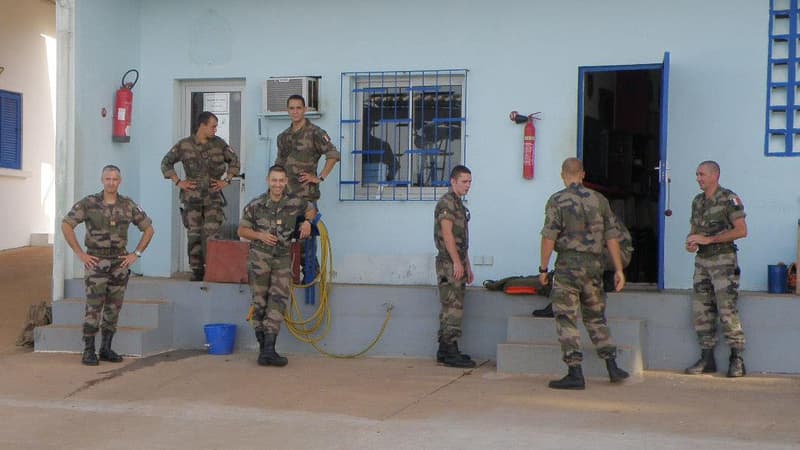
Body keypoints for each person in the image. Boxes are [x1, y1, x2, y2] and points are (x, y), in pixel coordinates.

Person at [539, 157, 629, 390]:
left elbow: (549, 236)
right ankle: (612, 367)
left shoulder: (557, 200)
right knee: (596, 316)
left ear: (563, 175)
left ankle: (575, 372)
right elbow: (612, 237)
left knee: (566, 318)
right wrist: (618, 269)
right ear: (583, 174)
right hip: (594, 267)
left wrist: (543, 269)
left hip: (568, 266)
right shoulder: (599, 200)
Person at [61, 165, 154, 366]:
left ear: (119, 181)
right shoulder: (89, 203)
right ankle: (88, 350)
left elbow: (148, 229)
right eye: (108, 179)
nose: (111, 182)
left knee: (114, 307)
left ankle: (106, 348)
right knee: (94, 307)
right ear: (102, 180)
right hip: (96, 261)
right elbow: (66, 224)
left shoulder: (128, 205)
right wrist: (80, 253)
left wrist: (135, 254)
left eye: (115, 179)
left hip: (119, 262)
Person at [238, 165, 315, 367]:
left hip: (282, 258)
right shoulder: (256, 205)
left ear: (286, 182)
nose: (278, 184)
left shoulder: (294, 202)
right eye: (274, 180)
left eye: (281, 180)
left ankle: (269, 350)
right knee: (260, 303)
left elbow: (311, 209)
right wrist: (260, 235)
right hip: (259, 258)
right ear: (268, 181)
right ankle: (264, 350)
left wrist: (307, 222)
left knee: (278, 300)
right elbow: (242, 230)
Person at [684, 160, 747, 378]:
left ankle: (737, 358)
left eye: (702, 174)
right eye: (697, 175)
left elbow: (741, 231)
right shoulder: (697, 201)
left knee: (727, 309)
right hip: (702, 262)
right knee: (702, 310)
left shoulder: (729, 198)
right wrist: (691, 242)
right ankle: (707, 357)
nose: (698, 179)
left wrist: (708, 240)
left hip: (723, 261)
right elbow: (694, 230)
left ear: (714, 175)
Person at [161, 111, 240, 281]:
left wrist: (226, 180)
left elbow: (234, 162)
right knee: (194, 235)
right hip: (192, 198)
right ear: (202, 126)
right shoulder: (184, 145)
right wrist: (178, 181)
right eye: (213, 126)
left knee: (212, 235)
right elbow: (166, 163)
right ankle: (197, 271)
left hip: (212, 198)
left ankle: (214, 269)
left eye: (216, 126)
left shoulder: (219, 144)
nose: (215, 130)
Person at [433, 165, 477, 368]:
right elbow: (448, 234)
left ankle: (444, 349)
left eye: (469, 182)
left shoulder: (459, 204)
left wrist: (466, 264)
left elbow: (462, 239)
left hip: (457, 260)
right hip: (448, 263)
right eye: (464, 181)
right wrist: (457, 262)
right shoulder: (447, 203)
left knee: (453, 303)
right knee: (453, 306)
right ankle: (450, 350)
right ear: (453, 181)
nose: (468, 185)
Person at [275, 95, 340, 209]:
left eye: (298, 108)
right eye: (292, 108)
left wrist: (320, 177)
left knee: (306, 226)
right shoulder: (283, 137)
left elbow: (333, 154)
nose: (295, 112)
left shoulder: (315, 133)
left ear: (305, 109)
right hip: (285, 197)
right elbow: (279, 165)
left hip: (306, 197)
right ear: (287, 110)